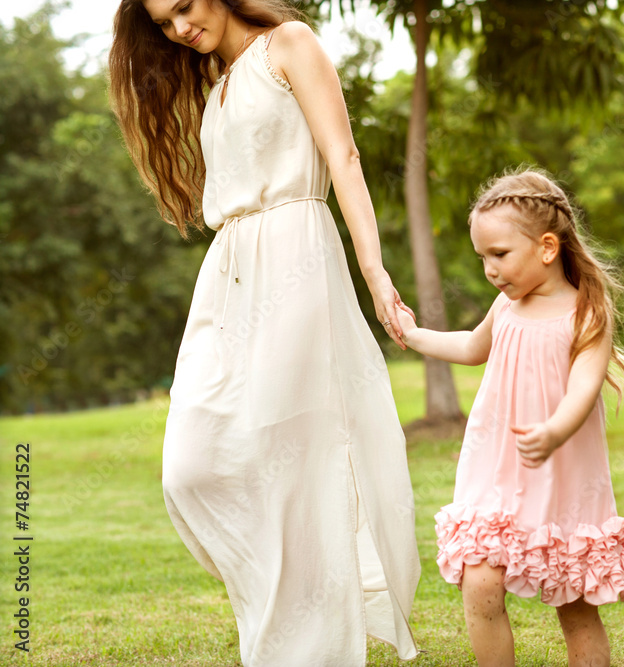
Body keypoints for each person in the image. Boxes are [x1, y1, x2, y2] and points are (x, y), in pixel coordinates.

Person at [107, 1, 420, 664]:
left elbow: (343, 155)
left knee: (294, 457)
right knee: (190, 465)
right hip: (227, 272)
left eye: (185, 8)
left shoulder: (290, 44)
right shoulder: (217, 88)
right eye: (164, 24)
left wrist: (374, 270)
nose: (180, 28)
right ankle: (282, 602)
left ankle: (307, 644)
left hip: (295, 255)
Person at [395, 167, 624, 667]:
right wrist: (414, 334)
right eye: (483, 257)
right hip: (498, 469)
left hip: (562, 474)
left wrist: (553, 431)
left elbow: (583, 388)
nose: (490, 269)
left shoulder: (586, 313)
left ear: (547, 247)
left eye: (500, 255)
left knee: (575, 605)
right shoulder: (505, 307)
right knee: (480, 583)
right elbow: (470, 346)